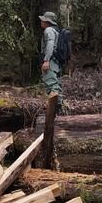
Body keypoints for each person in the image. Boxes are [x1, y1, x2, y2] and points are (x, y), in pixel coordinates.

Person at [38, 11, 63, 169]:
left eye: (43, 20)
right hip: (56, 63)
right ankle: (58, 111)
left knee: (52, 86)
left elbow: (49, 46)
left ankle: (57, 112)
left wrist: (46, 60)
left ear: (47, 21)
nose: (42, 22)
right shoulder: (56, 31)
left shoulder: (49, 31)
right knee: (55, 86)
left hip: (51, 62)